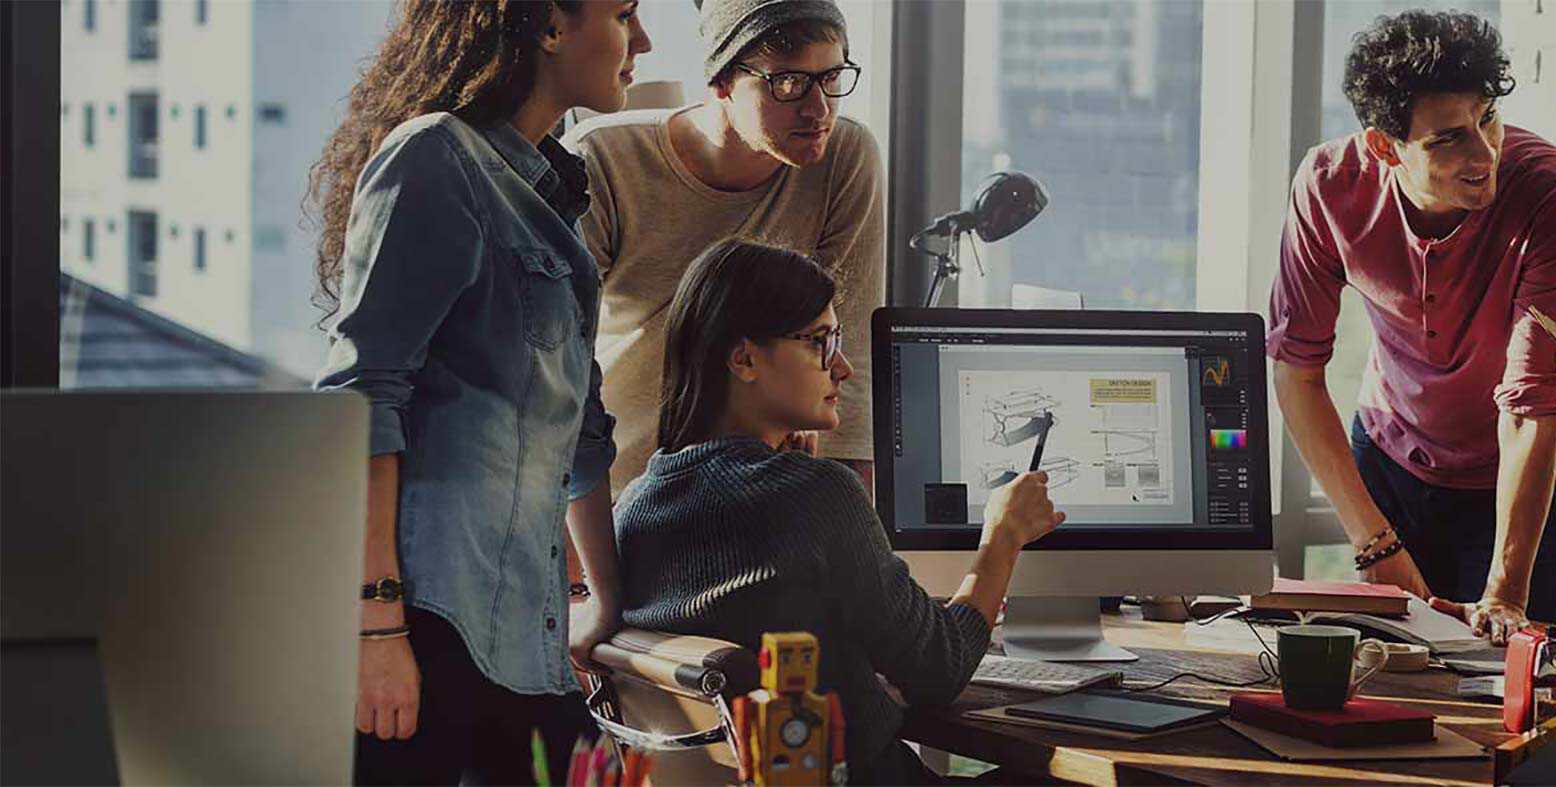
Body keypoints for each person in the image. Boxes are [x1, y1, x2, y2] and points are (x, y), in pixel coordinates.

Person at [306, 0, 651, 781]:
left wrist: (603, 604)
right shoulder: (435, 159)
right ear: (550, 25)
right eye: (625, 14)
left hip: (528, 641)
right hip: (428, 626)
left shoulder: (554, 192)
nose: (643, 41)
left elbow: (583, 433)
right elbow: (362, 396)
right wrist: (376, 630)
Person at [612, 239, 1063, 784]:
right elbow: (939, 670)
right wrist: (1003, 536)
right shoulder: (814, 494)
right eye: (821, 342)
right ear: (744, 358)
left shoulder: (634, 506)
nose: (843, 368)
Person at [1266, 10, 1556, 640]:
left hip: (1526, 476)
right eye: (1448, 139)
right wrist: (1372, 541)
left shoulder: (1555, 193)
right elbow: (1297, 371)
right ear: (1383, 146)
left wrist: (1505, 594)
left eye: (1488, 119)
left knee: (1511, 678)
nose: (1484, 153)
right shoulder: (1329, 185)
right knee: (1385, 674)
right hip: (1392, 460)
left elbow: (1532, 404)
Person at [569, 0, 885, 496]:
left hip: (762, 496)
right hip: (618, 491)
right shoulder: (604, 160)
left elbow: (852, 353)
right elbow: (560, 370)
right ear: (720, 82)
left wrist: (853, 518)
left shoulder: (845, 156)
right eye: (789, 83)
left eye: (831, 78)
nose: (819, 109)